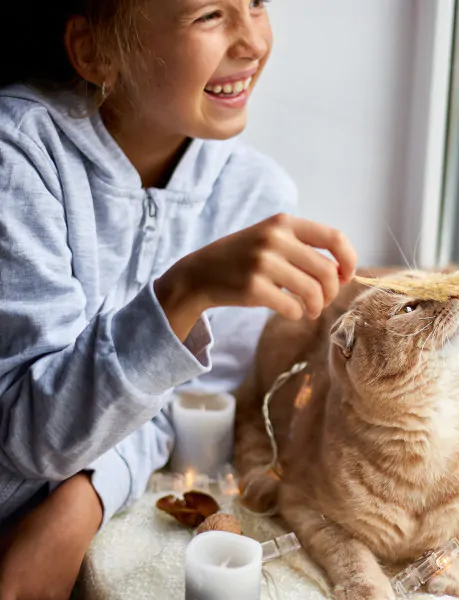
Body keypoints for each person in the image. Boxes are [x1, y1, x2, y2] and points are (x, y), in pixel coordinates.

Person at [0, 2, 357, 598]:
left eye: (256, 4)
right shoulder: (20, 156)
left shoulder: (253, 196)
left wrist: (84, 498)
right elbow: (29, 435)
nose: (252, 43)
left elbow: (189, 404)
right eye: (211, 14)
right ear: (94, 51)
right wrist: (184, 291)